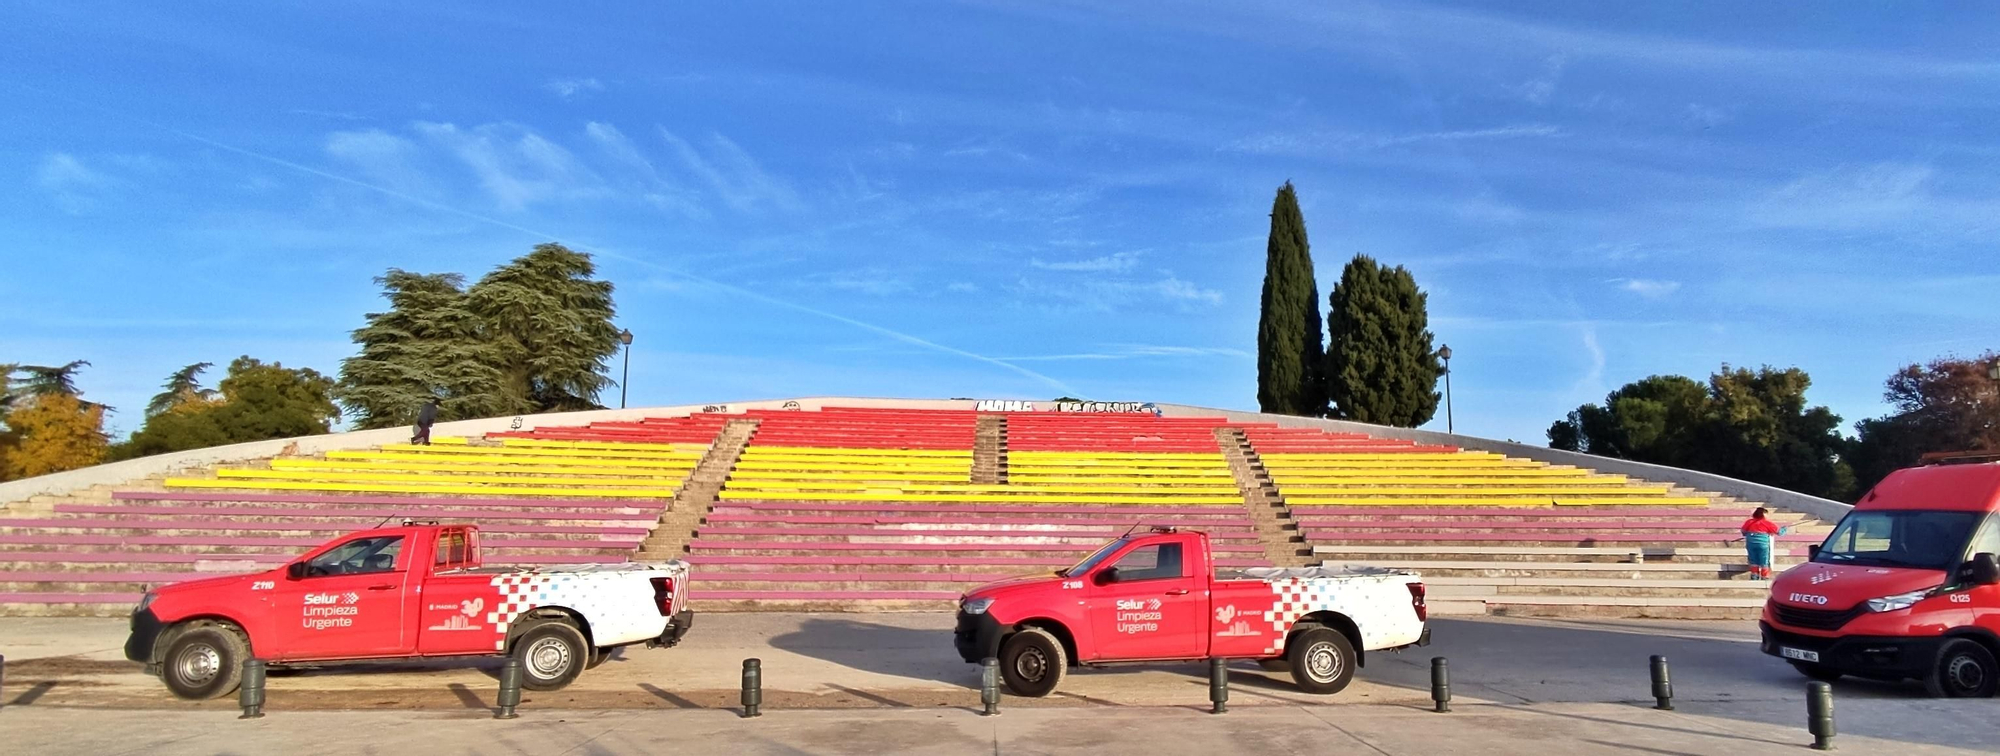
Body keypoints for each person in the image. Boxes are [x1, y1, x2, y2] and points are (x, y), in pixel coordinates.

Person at [1740, 507, 1790, 580]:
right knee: (1764, 560)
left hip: (1751, 544)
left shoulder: (1749, 522)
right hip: (1762, 544)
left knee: (1753, 560)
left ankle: (1754, 575)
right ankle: (1764, 576)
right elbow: (1780, 532)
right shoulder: (1767, 523)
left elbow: (1743, 531)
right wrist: (1784, 529)